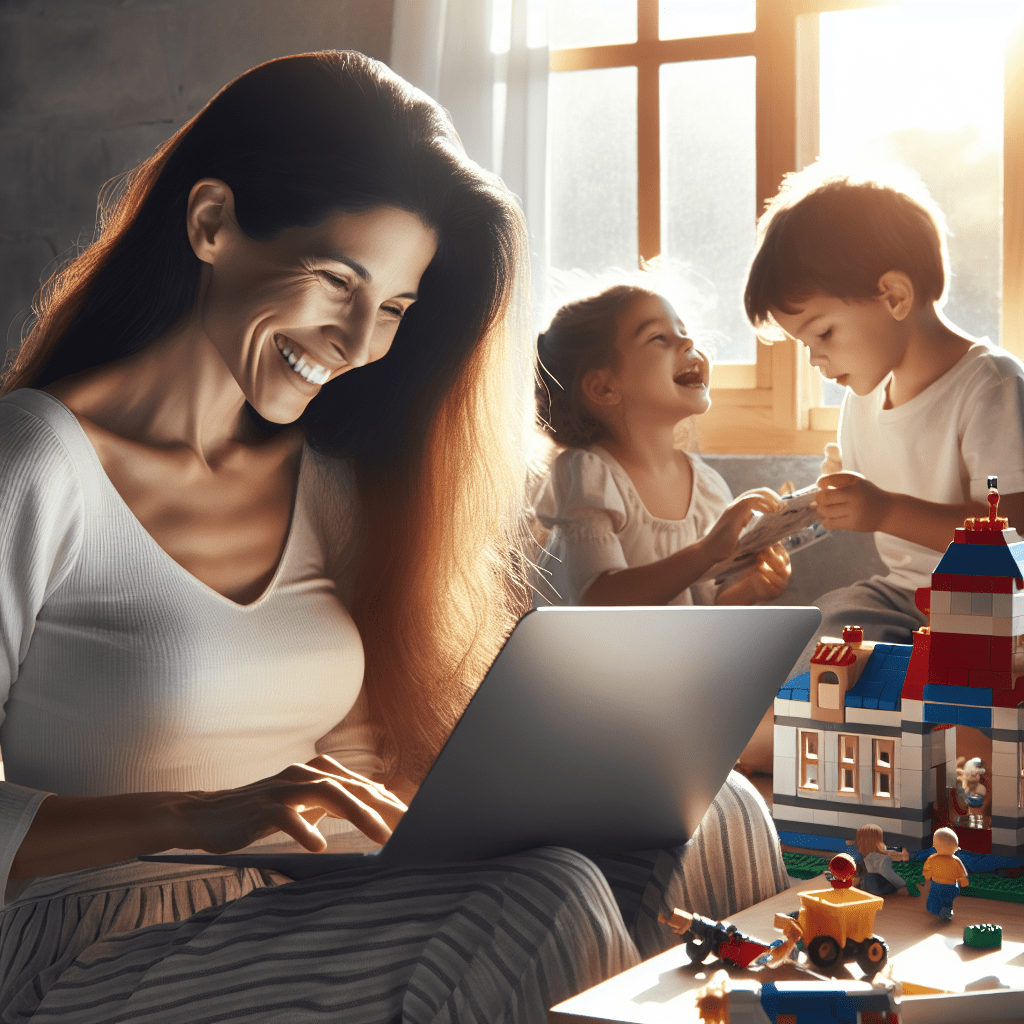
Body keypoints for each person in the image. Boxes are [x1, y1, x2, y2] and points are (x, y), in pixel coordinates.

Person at [0, 53, 788, 1021]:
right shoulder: (40, 456)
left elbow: (367, 756)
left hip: (305, 909)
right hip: (89, 942)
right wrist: (194, 813)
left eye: (396, 309)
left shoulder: (322, 479)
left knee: (713, 815)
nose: (360, 341)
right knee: (541, 903)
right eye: (337, 280)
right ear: (211, 224)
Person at [744, 162, 1024, 679]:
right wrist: (820, 501)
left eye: (822, 333)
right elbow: (864, 489)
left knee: (961, 679)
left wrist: (886, 510)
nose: (815, 360)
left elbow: (1015, 533)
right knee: (808, 642)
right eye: (804, 344)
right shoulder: (866, 394)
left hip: (996, 608)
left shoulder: (990, 386)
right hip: (904, 598)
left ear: (894, 296)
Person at [532, 282, 792, 772]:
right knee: (763, 744)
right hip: (589, 688)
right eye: (660, 339)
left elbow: (695, 611)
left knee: (790, 731)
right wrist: (707, 551)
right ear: (604, 387)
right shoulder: (587, 473)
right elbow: (600, 600)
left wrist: (751, 589)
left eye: (686, 334)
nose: (688, 346)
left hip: (664, 682)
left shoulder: (708, 485)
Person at [922, 827, 969, 921]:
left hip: (936, 885)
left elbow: (927, 870)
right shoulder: (956, 861)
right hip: (950, 886)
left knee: (934, 897)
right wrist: (964, 883)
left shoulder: (932, 859)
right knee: (947, 900)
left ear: (934, 846)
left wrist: (927, 878)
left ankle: (934, 909)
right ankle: (946, 911)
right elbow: (962, 874)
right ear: (956, 847)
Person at [854, 823, 909, 896]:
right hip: (876, 886)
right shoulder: (881, 858)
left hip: (868, 886)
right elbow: (891, 875)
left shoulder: (868, 858)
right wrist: (903, 884)